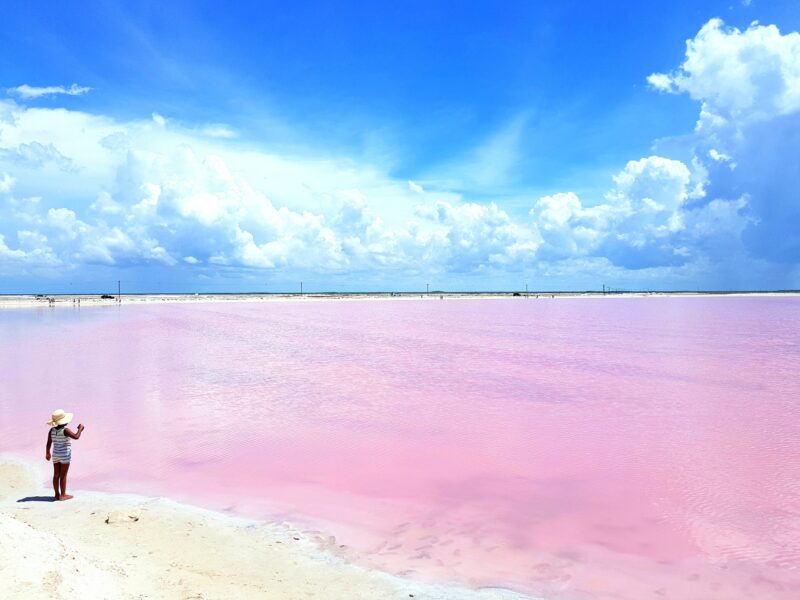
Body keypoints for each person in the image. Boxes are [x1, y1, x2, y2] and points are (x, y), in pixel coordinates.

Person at [45, 409, 85, 501]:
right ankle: (63, 495)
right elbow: (76, 437)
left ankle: (56, 494)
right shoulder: (65, 430)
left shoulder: (52, 430)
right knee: (63, 475)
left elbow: (48, 443)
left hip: (55, 455)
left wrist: (47, 453)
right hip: (65, 455)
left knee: (56, 475)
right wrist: (80, 429)